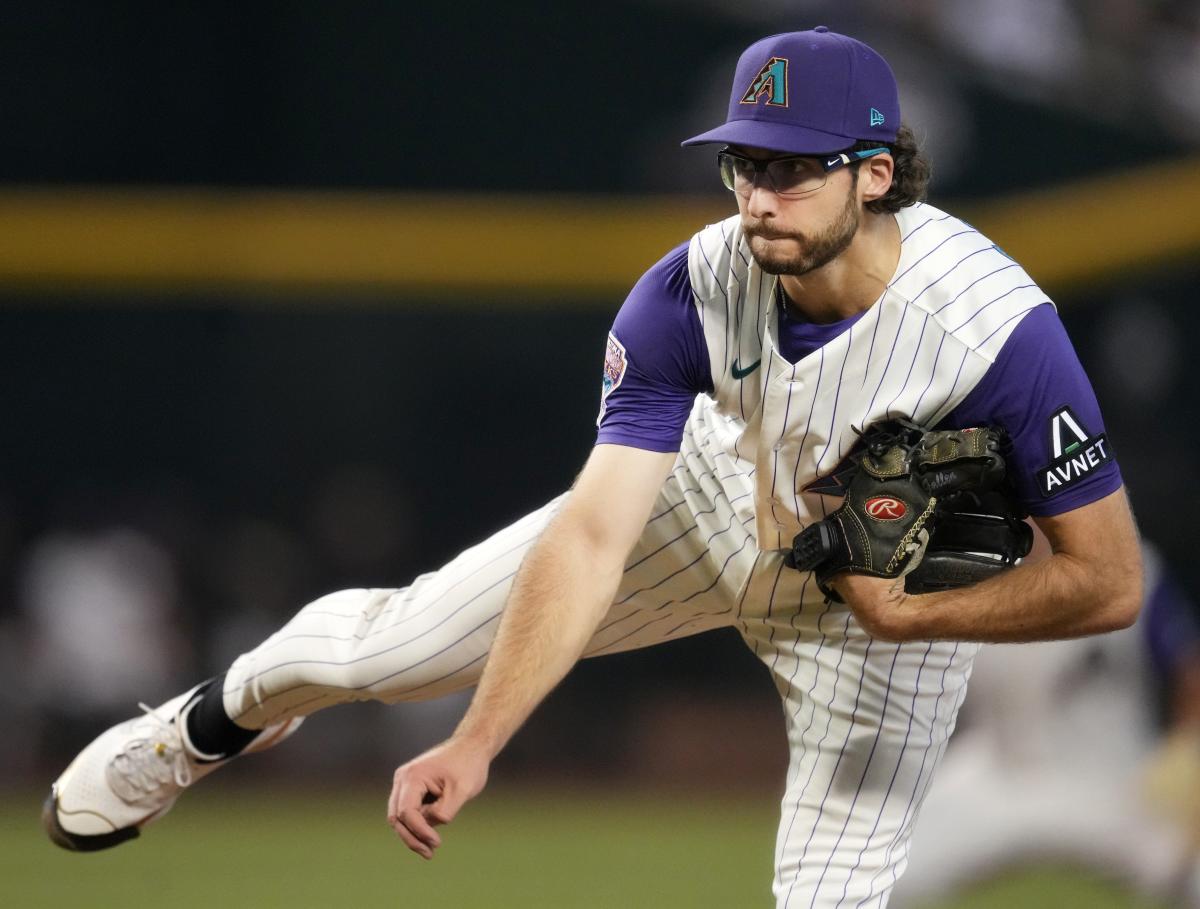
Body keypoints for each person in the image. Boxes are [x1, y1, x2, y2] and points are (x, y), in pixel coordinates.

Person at [44, 27, 1142, 907]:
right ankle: (198, 728)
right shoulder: (688, 288)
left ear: (878, 173)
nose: (758, 195)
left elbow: (1109, 580)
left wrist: (915, 618)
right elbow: (591, 535)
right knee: (401, 647)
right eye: (744, 163)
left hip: (875, 623)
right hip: (712, 499)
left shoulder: (998, 332)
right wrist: (477, 745)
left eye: (793, 169)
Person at [890, 542, 1200, 907]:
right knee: (873, 870)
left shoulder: (1130, 566)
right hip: (997, 781)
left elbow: (1190, 672)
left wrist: (1186, 752)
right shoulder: (961, 576)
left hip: (1114, 786)